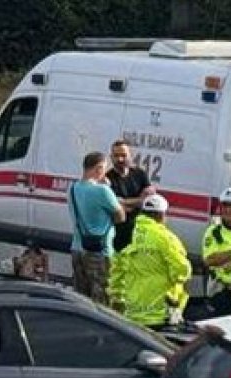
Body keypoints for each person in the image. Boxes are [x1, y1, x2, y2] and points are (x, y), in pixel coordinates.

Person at [107, 194, 191, 329]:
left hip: (133, 313)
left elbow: (117, 271)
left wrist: (116, 298)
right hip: (160, 313)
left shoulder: (127, 234)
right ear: (161, 215)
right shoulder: (166, 238)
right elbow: (182, 270)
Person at [68, 151, 125, 305]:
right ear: (98, 168)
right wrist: (108, 189)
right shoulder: (102, 191)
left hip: (78, 248)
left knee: (81, 298)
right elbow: (121, 216)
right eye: (104, 169)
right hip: (100, 252)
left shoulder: (72, 188)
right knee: (102, 298)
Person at [202, 187, 231, 317]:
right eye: (224, 206)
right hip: (222, 291)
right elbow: (209, 260)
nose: (227, 210)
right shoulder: (214, 232)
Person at [104, 139, 156, 252]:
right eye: (116, 155)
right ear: (111, 157)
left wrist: (124, 201)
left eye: (123, 155)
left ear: (130, 155)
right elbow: (116, 206)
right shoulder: (107, 179)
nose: (120, 159)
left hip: (139, 235)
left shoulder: (140, 174)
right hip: (118, 236)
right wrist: (139, 201)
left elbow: (149, 200)